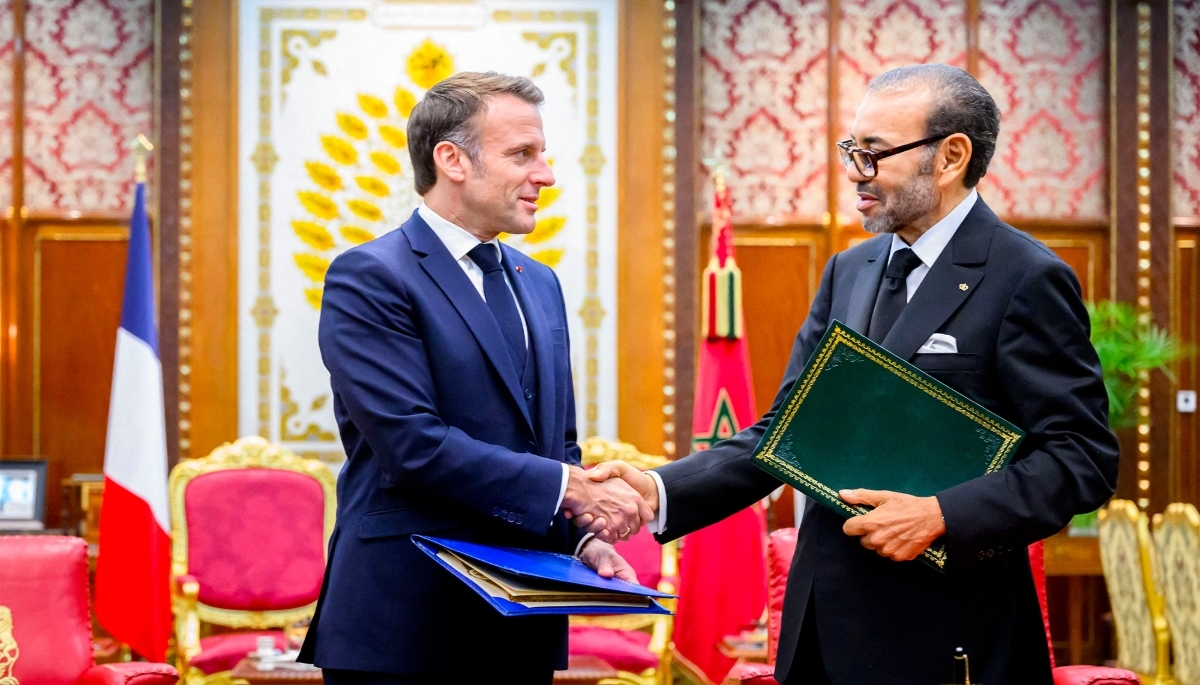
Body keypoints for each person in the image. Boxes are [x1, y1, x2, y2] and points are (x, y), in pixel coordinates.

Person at [591, 64, 1119, 685]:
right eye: (850, 151)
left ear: (950, 157)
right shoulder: (851, 268)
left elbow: (1082, 458)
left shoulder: (1025, 276)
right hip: (820, 628)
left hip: (947, 634)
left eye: (872, 155)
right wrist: (656, 491)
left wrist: (942, 513)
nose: (852, 173)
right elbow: (785, 432)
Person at [297, 72, 652, 685]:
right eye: (523, 154)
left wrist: (580, 542)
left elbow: (554, 445)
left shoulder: (540, 281)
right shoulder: (370, 277)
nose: (545, 174)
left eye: (542, 154)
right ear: (452, 159)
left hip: (523, 623)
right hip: (405, 625)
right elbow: (413, 445)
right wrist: (573, 491)